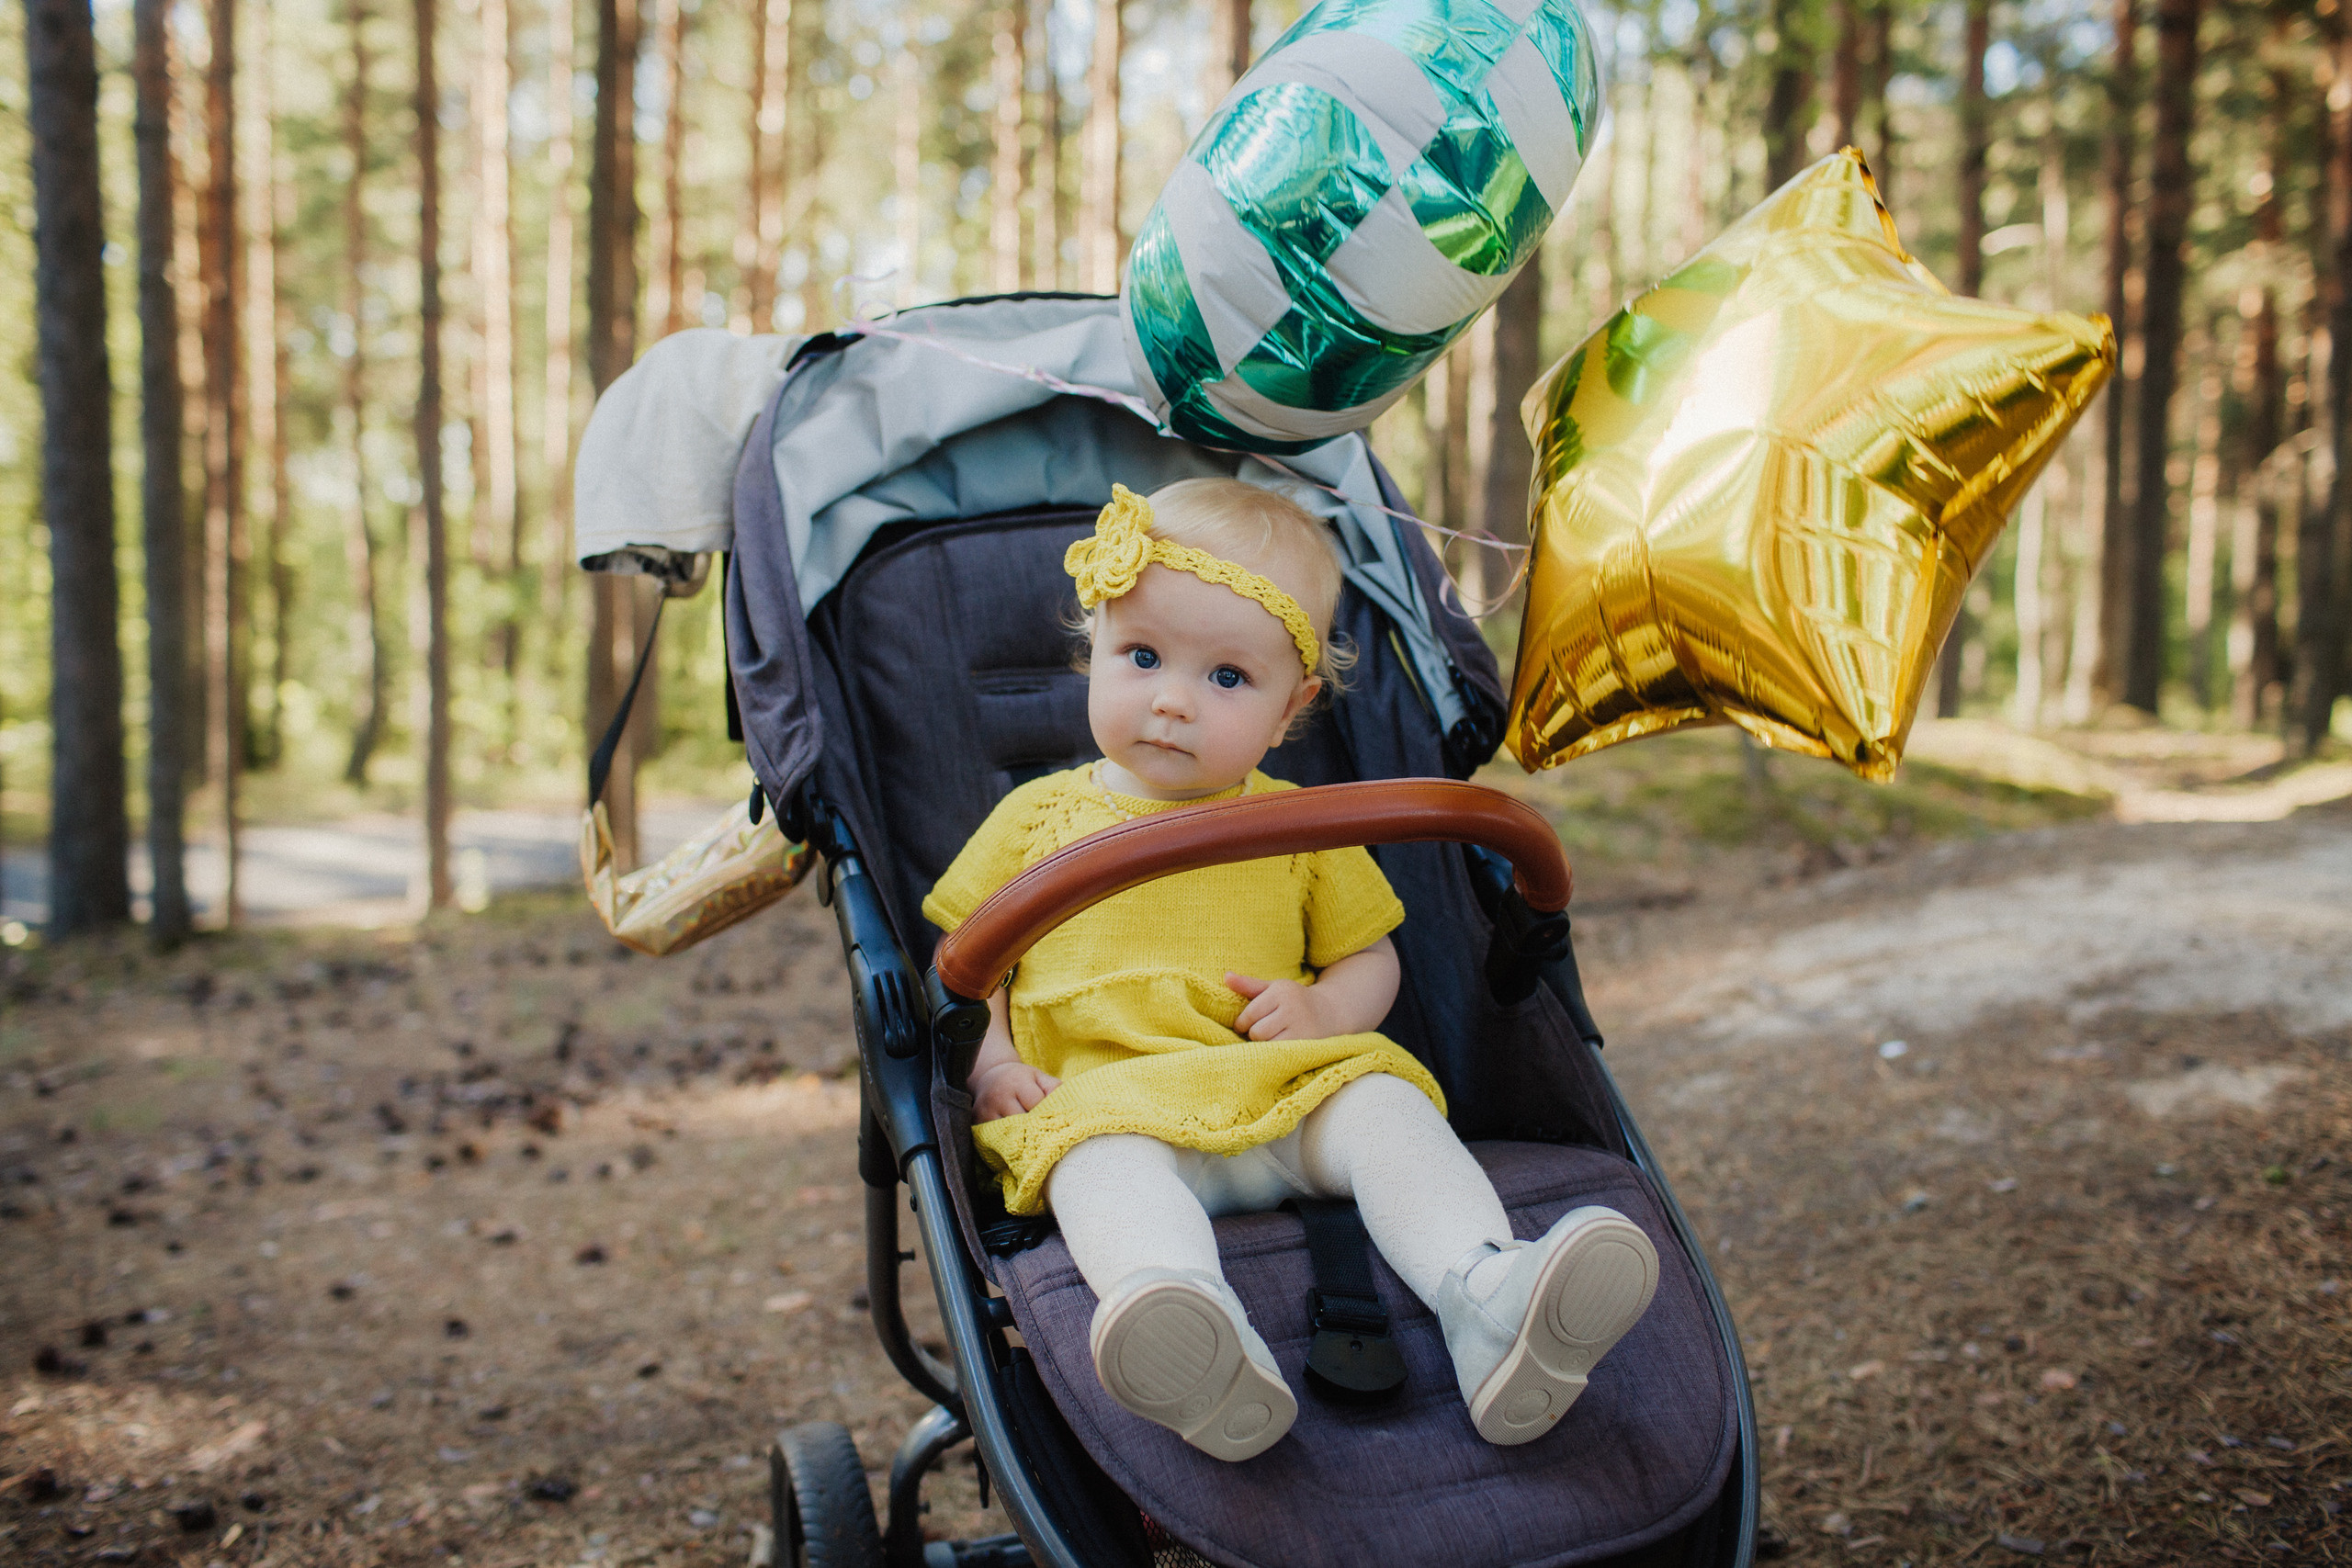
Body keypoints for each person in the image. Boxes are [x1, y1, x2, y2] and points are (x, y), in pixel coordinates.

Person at [922, 479, 1657, 1462]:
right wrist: (993, 1064)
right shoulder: (1037, 821)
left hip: (1283, 1089)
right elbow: (971, 964)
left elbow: (1368, 952)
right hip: (1108, 1100)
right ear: (1092, 649)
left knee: (1390, 1111)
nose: (1174, 700)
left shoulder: (1299, 825)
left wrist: (1324, 1005)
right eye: (1141, 657)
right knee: (1096, 1175)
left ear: (1290, 708)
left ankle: (1487, 1294)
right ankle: (1195, 1339)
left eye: (1227, 678)